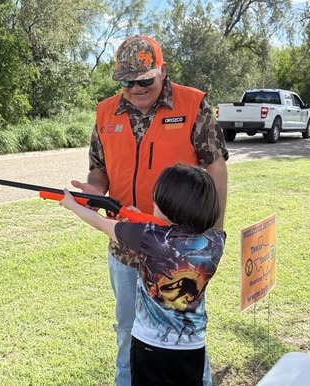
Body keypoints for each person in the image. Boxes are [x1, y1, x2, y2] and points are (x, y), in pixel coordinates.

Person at [71, 35, 229, 385]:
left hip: (179, 248)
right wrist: (95, 189)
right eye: (127, 81)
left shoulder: (193, 104)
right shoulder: (104, 111)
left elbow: (215, 167)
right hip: (127, 244)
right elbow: (98, 166)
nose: (137, 88)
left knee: (183, 328)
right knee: (128, 326)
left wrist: (212, 233)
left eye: (145, 79)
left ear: (163, 72)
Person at [62, 164, 226, 386]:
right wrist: (143, 219)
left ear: (167, 205)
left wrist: (72, 205)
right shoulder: (215, 241)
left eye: (156, 199)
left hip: (150, 346)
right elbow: (174, 232)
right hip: (192, 347)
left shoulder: (149, 238)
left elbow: (101, 223)